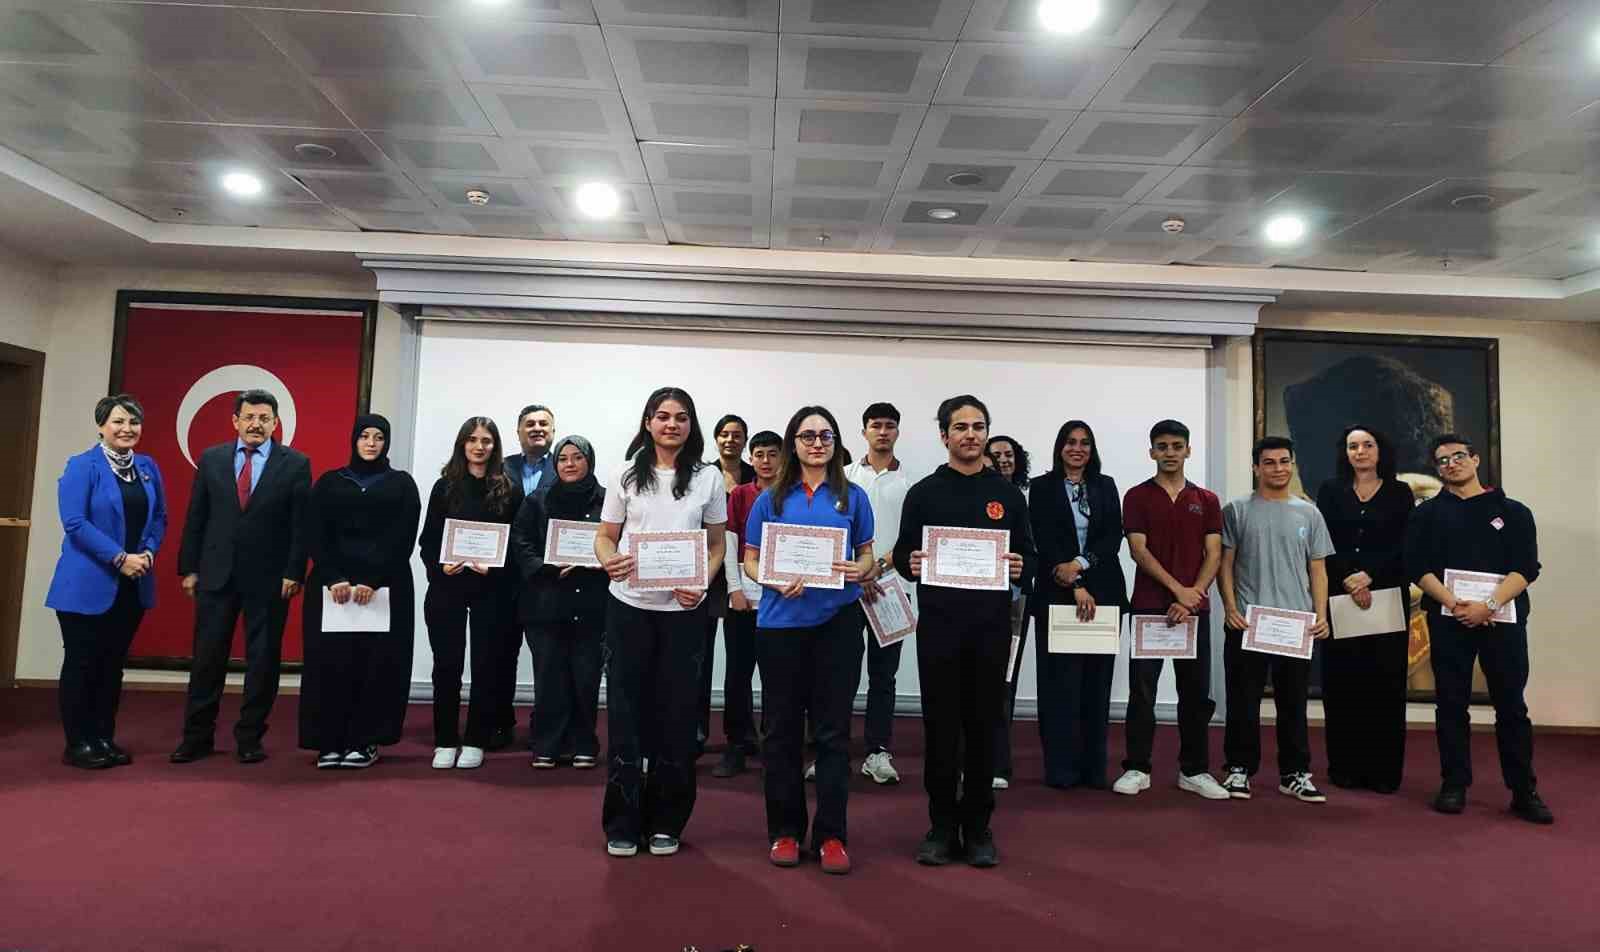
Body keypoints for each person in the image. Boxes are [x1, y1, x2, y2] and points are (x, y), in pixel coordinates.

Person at [894, 395, 1034, 868]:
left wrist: (1019, 565)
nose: (970, 435)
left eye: (978, 426)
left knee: (982, 728)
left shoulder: (1009, 495)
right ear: (944, 436)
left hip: (990, 630)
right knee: (941, 730)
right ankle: (939, 827)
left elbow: (1030, 560)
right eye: (961, 427)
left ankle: (977, 828)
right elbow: (903, 554)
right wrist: (910, 563)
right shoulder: (925, 492)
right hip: (939, 629)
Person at [743, 407, 877, 874]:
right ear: (792, 442)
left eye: (825, 435)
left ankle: (832, 835)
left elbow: (867, 559)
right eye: (807, 435)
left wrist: (861, 570)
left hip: (837, 626)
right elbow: (750, 561)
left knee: (833, 734)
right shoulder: (770, 500)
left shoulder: (853, 497)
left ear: (836, 443)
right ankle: (784, 830)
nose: (817, 442)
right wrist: (772, 580)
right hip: (780, 627)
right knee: (780, 732)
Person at [595, 387, 727, 859]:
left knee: (677, 717)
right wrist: (609, 560)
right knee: (627, 715)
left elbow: (716, 546)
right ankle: (623, 822)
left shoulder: (709, 479)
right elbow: (606, 536)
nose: (672, 424)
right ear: (648, 422)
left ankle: (667, 820)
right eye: (663, 416)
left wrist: (704, 583)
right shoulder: (625, 474)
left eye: (682, 417)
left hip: (683, 614)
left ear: (692, 425)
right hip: (629, 607)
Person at [1407, 434, 1552, 824]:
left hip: (1502, 621)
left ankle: (1524, 790)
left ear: (1474, 460)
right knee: (1451, 705)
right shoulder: (1427, 514)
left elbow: (1526, 568)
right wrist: (1455, 605)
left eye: (1458, 457)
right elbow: (1417, 567)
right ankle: (1454, 784)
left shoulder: (1514, 510)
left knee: (1511, 707)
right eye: (1442, 461)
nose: (1451, 464)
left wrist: (1488, 605)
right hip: (1450, 621)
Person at [171, 388, 311, 765]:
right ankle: (196, 737)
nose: (256, 424)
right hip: (215, 575)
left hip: (269, 580)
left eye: (265, 418)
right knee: (206, 659)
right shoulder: (212, 459)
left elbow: (301, 527)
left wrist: (294, 571)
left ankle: (250, 738)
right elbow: (196, 517)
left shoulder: (295, 464)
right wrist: (189, 568)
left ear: (276, 423)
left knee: (263, 661)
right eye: (249, 417)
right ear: (235, 421)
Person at [46, 394, 168, 769]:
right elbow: (75, 523)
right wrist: (119, 558)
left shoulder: (147, 467)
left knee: (112, 665)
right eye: (118, 422)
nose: (126, 429)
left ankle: (102, 737)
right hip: (87, 583)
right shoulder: (82, 466)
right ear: (101, 425)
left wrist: (146, 553)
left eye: (133, 422)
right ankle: (77, 743)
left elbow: (159, 516)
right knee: (82, 663)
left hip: (134, 583)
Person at [297, 414, 421, 769]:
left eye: (378, 437)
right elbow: (315, 533)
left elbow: (403, 537)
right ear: (353, 440)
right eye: (364, 436)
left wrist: (373, 580)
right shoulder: (330, 482)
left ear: (387, 443)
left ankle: (365, 741)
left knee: (376, 665)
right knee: (331, 664)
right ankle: (329, 741)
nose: (370, 443)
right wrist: (334, 577)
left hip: (384, 589)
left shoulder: (401, 484)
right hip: (332, 589)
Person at [1113, 420, 1228, 800]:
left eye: (1177, 446)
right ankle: (1137, 767)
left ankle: (1194, 770)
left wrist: (1193, 594)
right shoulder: (1136, 496)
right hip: (1149, 608)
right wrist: (1178, 590)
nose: (1170, 452)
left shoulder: (1207, 500)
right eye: (1162, 446)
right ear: (1152, 452)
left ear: (1188, 450)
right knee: (1142, 692)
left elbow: (1214, 553)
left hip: (1194, 610)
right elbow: (1138, 550)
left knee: (1195, 693)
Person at [1218, 437, 1334, 803]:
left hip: (1295, 624)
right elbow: (1225, 565)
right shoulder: (1236, 510)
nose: (1278, 468)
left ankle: (1294, 773)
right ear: (1256, 468)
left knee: (1293, 704)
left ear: (1293, 464)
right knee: (1243, 701)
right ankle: (1239, 769)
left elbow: (1318, 569)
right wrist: (1231, 608)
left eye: (1285, 461)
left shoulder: (1309, 513)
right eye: (1269, 462)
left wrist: (1321, 615)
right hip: (1248, 622)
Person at [417, 417, 521, 771]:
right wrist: (439, 566)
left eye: (487, 441)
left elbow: (516, 544)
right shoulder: (444, 487)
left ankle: (476, 738)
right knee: (447, 666)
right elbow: (428, 542)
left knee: (486, 665)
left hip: (491, 590)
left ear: (496, 446)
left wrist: (496, 566)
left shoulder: (510, 487)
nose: (479, 446)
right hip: (447, 587)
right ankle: (445, 739)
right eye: (473, 440)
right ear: (462, 444)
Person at [1314, 425, 1414, 794]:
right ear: (1345, 453)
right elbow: (1322, 541)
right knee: (1342, 685)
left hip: (1385, 596)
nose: (1360, 451)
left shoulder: (1401, 492)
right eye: (1353, 446)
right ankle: (1344, 768)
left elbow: (1406, 543)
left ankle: (1383, 771)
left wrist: (1369, 576)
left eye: (1367, 445)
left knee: (1384, 685)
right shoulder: (1330, 490)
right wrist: (1347, 578)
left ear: (1380, 450)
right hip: (1340, 595)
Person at [1029, 421, 1126, 792]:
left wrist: (1081, 569)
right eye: (1070, 442)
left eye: (1085, 443)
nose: (1078, 448)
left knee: (1095, 685)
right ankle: (1060, 770)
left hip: (1103, 595)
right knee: (1059, 686)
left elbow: (1111, 536)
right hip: (1056, 594)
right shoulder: (1041, 487)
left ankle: (1093, 770)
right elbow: (1042, 536)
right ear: (1059, 447)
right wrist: (1073, 582)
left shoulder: (1105, 485)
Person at [510, 435, 607, 769]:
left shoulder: (607, 502)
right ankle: (547, 744)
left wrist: (603, 561)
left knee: (585, 677)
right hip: (546, 603)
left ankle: (583, 743)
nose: (569, 464)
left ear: (589, 462)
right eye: (563, 458)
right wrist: (546, 568)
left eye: (577, 457)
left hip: (592, 605)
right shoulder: (537, 500)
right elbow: (520, 543)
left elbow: (615, 542)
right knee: (549, 677)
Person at [841, 402, 912, 785]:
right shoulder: (846, 476)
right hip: (849, 588)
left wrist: (878, 567)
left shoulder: (911, 482)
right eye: (875, 426)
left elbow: (913, 536)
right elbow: (837, 530)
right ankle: (833, 749)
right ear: (864, 431)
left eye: (889, 426)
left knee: (884, 676)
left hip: (894, 590)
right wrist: (860, 570)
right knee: (841, 673)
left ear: (897, 432)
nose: (882, 432)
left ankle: (877, 751)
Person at [714, 429, 782, 778]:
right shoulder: (740, 494)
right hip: (744, 593)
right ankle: (736, 744)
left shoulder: (794, 495)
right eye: (760, 454)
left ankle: (775, 745)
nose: (766, 461)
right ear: (751, 458)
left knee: (778, 676)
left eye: (773, 454)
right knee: (738, 674)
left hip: (782, 598)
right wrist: (734, 589)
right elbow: (728, 541)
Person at [696, 413, 756, 756]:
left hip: (742, 580)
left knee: (740, 660)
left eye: (737, 435)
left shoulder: (757, 476)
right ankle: (697, 730)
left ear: (744, 441)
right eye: (724, 434)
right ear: (715, 439)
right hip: (705, 573)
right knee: (699, 658)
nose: (730, 440)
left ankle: (742, 733)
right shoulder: (702, 475)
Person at [501, 403, 557, 750]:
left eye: (544, 424)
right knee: (500, 654)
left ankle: (545, 725)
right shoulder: (500, 467)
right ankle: (499, 723)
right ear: (518, 431)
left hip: (546, 579)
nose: (537, 428)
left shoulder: (567, 465)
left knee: (547, 659)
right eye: (530, 424)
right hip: (501, 578)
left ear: (553, 431)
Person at [984, 434, 1031, 790]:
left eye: (1008, 454)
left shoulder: (1028, 497)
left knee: (1003, 684)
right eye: (995, 454)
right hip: (975, 601)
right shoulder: (977, 495)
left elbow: (1034, 549)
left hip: (1014, 601)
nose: (1002, 459)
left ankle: (999, 763)